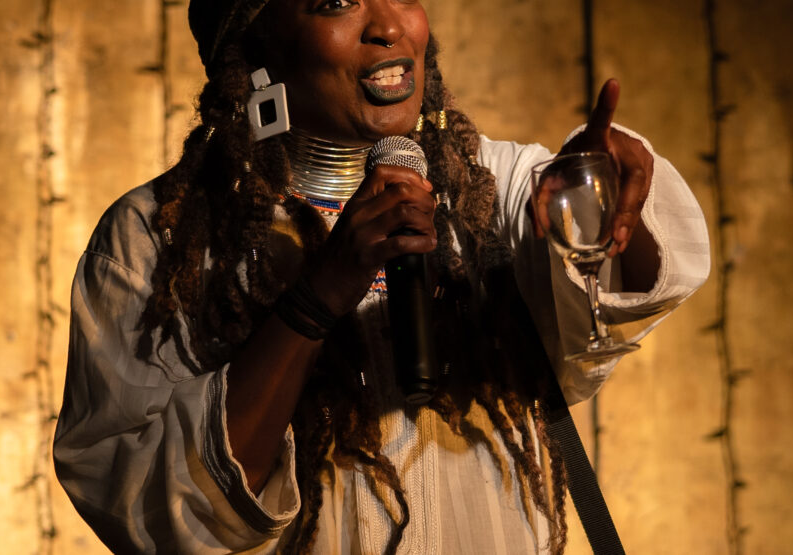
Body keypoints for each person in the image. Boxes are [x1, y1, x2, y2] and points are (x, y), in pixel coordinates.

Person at [53, 0, 710, 553]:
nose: (391, 26)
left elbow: (619, 294)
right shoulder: (162, 238)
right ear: (256, 46)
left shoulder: (490, 189)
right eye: (337, 2)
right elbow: (154, 505)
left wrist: (601, 195)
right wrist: (315, 300)